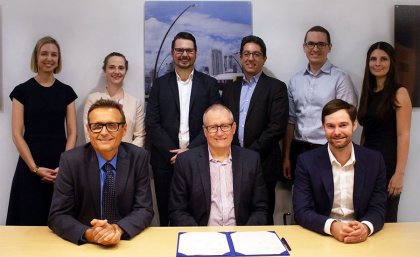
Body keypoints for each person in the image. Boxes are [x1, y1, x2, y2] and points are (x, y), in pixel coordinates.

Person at [48, 99, 153, 245]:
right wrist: (89, 234)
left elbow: (144, 209)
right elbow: (58, 215)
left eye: (112, 125)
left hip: (126, 242)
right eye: (97, 126)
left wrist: (117, 229)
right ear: (88, 130)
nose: (104, 132)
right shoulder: (71, 161)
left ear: (124, 129)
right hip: (85, 245)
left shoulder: (138, 157)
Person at [146, 31, 220, 226]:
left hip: (200, 158)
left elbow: (214, 123)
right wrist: (173, 153)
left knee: (196, 213)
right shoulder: (160, 85)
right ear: (172, 53)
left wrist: (189, 152)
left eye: (189, 50)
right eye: (179, 50)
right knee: (165, 213)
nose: (184, 54)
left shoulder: (210, 84)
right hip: (164, 160)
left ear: (195, 53)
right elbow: (152, 122)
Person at [293, 99, 387, 244]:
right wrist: (332, 226)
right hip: (320, 236)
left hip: (361, 237)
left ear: (354, 124)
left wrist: (366, 227)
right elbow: (302, 211)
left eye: (343, 125)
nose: (337, 132)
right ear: (323, 127)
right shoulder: (306, 162)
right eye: (330, 126)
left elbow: (378, 207)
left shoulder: (374, 160)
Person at [6, 36, 77, 226]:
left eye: (54, 54)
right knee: (27, 225)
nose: (49, 58)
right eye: (44, 53)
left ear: (58, 59)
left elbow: (72, 133)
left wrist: (65, 166)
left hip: (59, 170)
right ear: (36, 57)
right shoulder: (21, 91)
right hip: (29, 167)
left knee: (59, 225)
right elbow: (16, 134)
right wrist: (35, 168)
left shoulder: (67, 92)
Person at [222, 35, 288, 224]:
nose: (251, 58)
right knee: (234, 213)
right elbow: (224, 123)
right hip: (231, 163)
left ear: (264, 59)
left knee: (262, 216)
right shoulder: (230, 89)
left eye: (256, 54)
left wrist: (248, 154)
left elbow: (276, 127)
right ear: (241, 57)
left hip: (263, 163)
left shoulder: (276, 87)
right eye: (247, 54)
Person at [168, 104, 269, 226]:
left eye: (225, 126)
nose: (220, 133)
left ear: (233, 128)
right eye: (213, 127)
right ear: (205, 131)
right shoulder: (186, 162)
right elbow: (177, 211)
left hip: (241, 236)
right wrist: (200, 237)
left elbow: (261, 209)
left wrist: (244, 236)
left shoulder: (251, 160)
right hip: (201, 237)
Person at [283, 25, 358, 181]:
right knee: (301, 199)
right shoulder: (295, 80)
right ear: (304, 47)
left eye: (321, 44)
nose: (315, 48)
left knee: (328, 199)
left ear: (329, 48)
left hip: (329, 149)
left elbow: (347, 121)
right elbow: (291, 120)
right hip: (299, 149)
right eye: (311, 44)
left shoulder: (341, 78)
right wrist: (287, 155)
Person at [358, 42, 412, 222]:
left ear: (392, 62)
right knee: (365, 217)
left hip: (388, 165)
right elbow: (366, 130)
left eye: (383, 59)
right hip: (365, 163)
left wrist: (399, 174)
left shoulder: (400, 93)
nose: (377, 63)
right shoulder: (368, 92)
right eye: (373, 59)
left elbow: (403, 134)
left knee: (387, 220)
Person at [83, 52, 145, 147]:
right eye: (111, 67)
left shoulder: (135, 102)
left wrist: (126, 155)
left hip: (128, 159)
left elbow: (140, 136)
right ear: (105, 70)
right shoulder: (92, 99)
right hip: (100, 158)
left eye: (121, 68)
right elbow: (89, 134)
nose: (116, 71)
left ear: (125, 71)